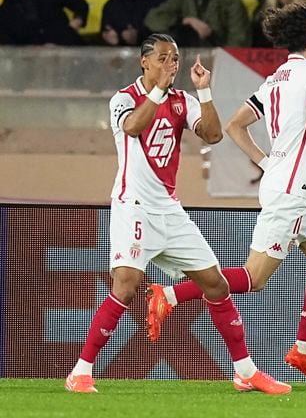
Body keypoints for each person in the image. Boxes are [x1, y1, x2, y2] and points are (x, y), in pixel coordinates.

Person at [147, 2, 306, 386]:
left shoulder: (276, 78)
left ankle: (303, 349)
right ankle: (171, 293)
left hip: (286, 185)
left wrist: (266, 163)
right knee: (254, 279)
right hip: (290, 193)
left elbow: (235, 126)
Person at [65, 34, 289, 395]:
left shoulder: (182, 101)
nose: (172, 64)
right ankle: (81, 371)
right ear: (145, 62)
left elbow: (214, 135)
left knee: (215, 283)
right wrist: (157, 92)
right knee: (125, 285)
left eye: (176, 58)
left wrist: (204, 92)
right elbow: (133, 127)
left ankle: (245, 371)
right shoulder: (124, 99)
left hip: (169, 210)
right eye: (164, 58)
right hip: (134, 205)